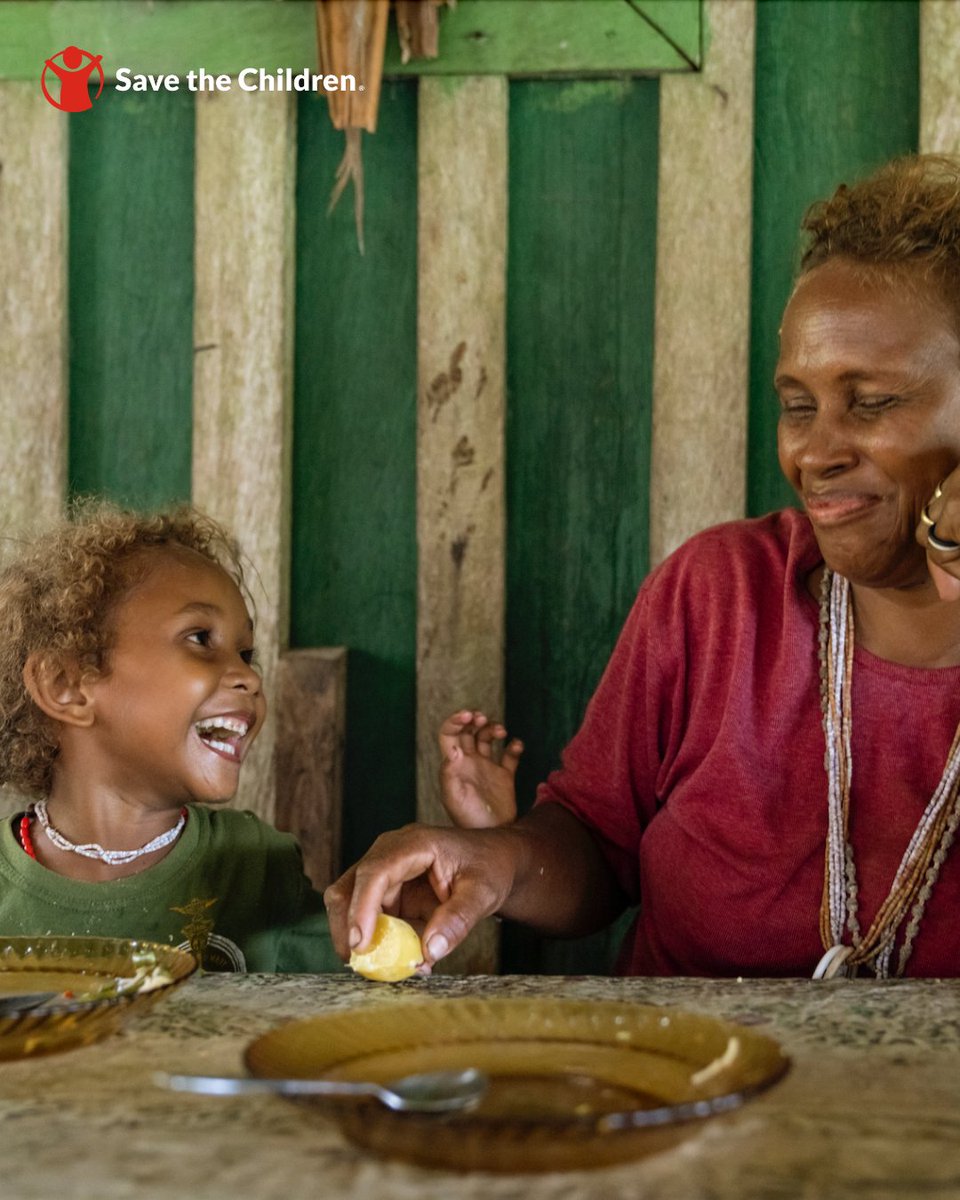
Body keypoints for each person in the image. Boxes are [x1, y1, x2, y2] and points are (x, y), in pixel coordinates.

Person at [325, 153, 960, 981]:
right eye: (797, 406)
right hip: (677, 1087)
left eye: (871, 402)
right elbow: (596, 846)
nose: (815, 451)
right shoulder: (718, 597)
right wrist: (493, 863)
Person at [0, 502, 341, 973]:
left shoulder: (256, 866)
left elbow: (364, 982)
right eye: (201, 638)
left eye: (245, 654)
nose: (247, 677)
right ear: (65, 684)